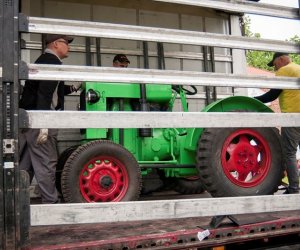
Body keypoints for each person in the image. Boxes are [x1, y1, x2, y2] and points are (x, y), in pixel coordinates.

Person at [19, 34, 78, 203]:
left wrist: (73, 88)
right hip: (39, 121)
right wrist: (44, 122)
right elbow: (44, 94)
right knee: (46, 163)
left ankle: (15, 200)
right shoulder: (52, 63)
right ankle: (51, 203)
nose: (69, 47)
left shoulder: (43, 59)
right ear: (56, 44)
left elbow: (53, 90)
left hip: (29, 120)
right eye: (66, 43)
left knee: (26, 164)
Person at [254, 52, 300, 194]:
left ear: (281, 59)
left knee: (290, 153)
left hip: (293, 117)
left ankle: (293, 188)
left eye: (275, 64)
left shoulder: (284, 70)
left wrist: (253, 100)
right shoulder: (298, 68)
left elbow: (272, 95)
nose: (275, 69)